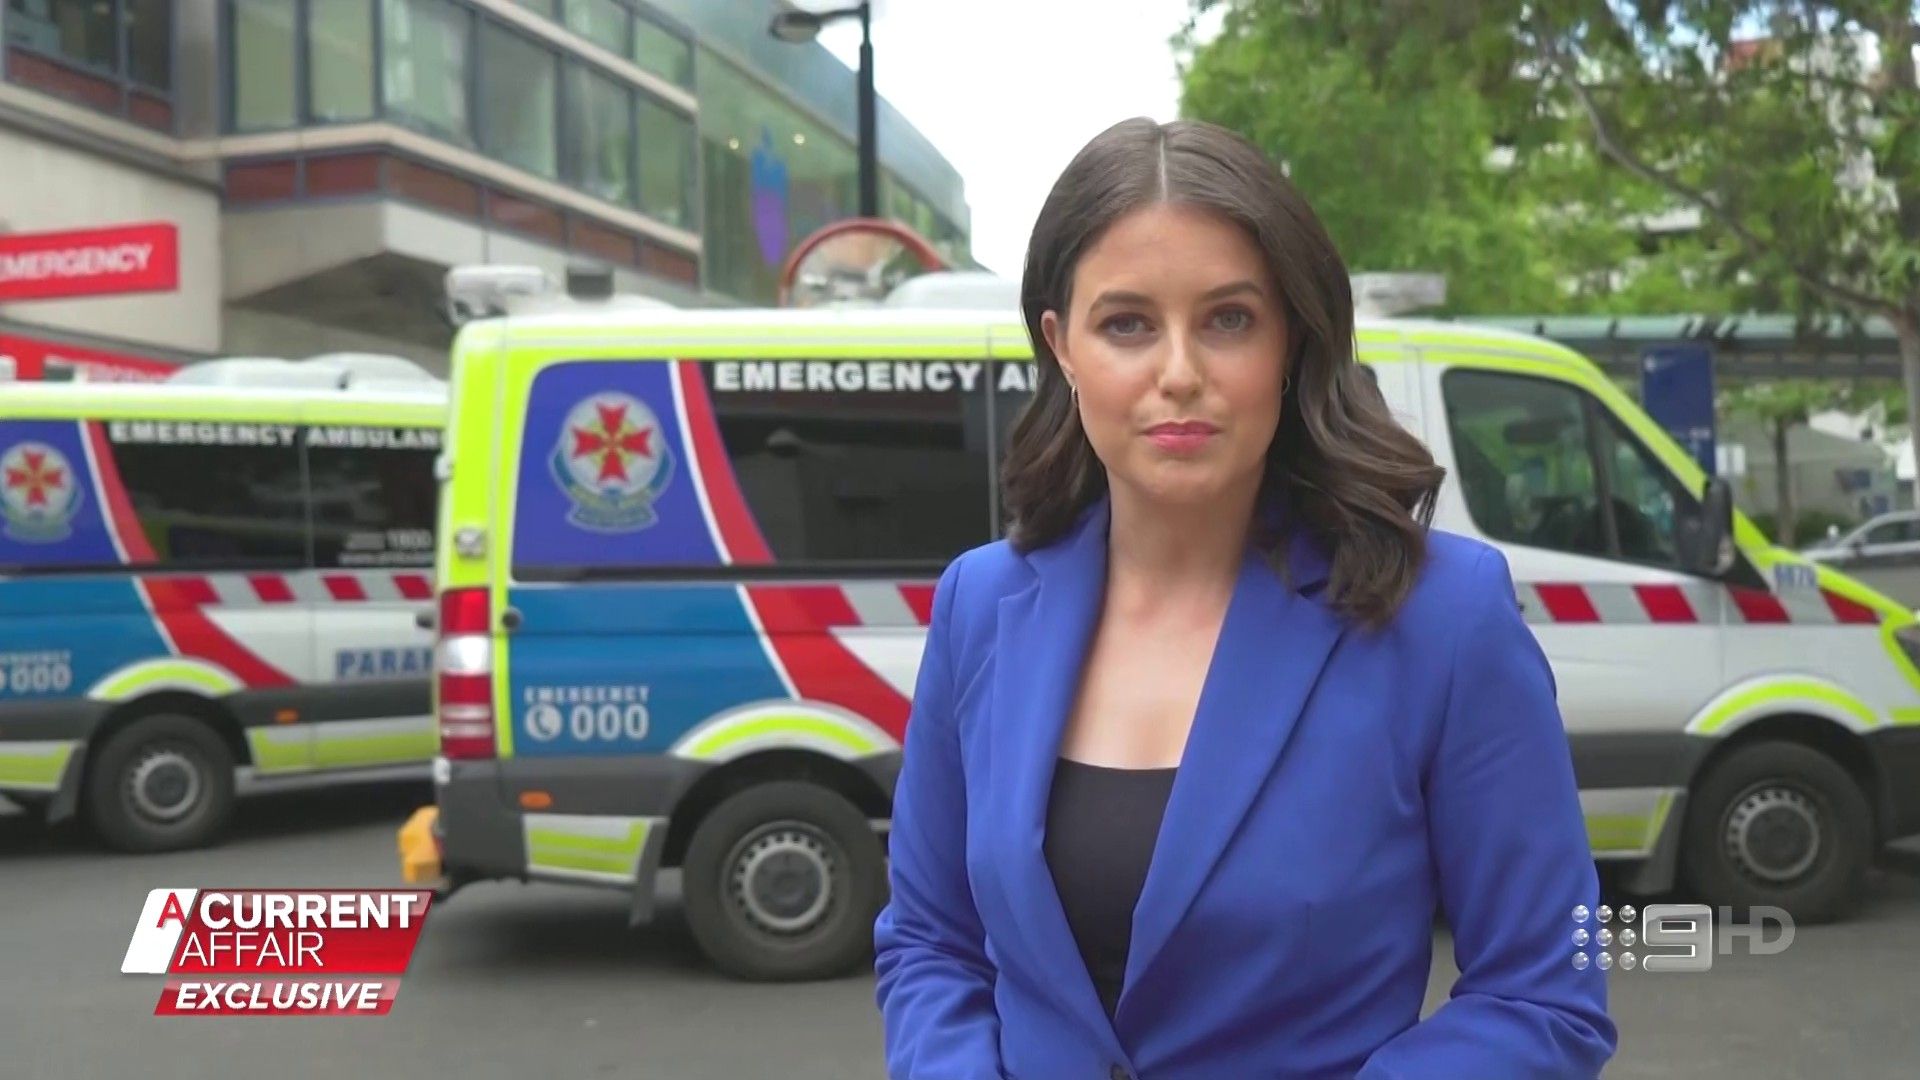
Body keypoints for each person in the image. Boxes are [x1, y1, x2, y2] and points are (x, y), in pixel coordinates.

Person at [871, 117, 1617, 1080]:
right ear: (1061, 346)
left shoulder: (1442, 618)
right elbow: (931, 941)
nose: (1179, 373)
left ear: (1291, 341)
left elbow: (1545, 994)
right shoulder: (981, 605)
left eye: (1229, 320)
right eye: (1127, 323)